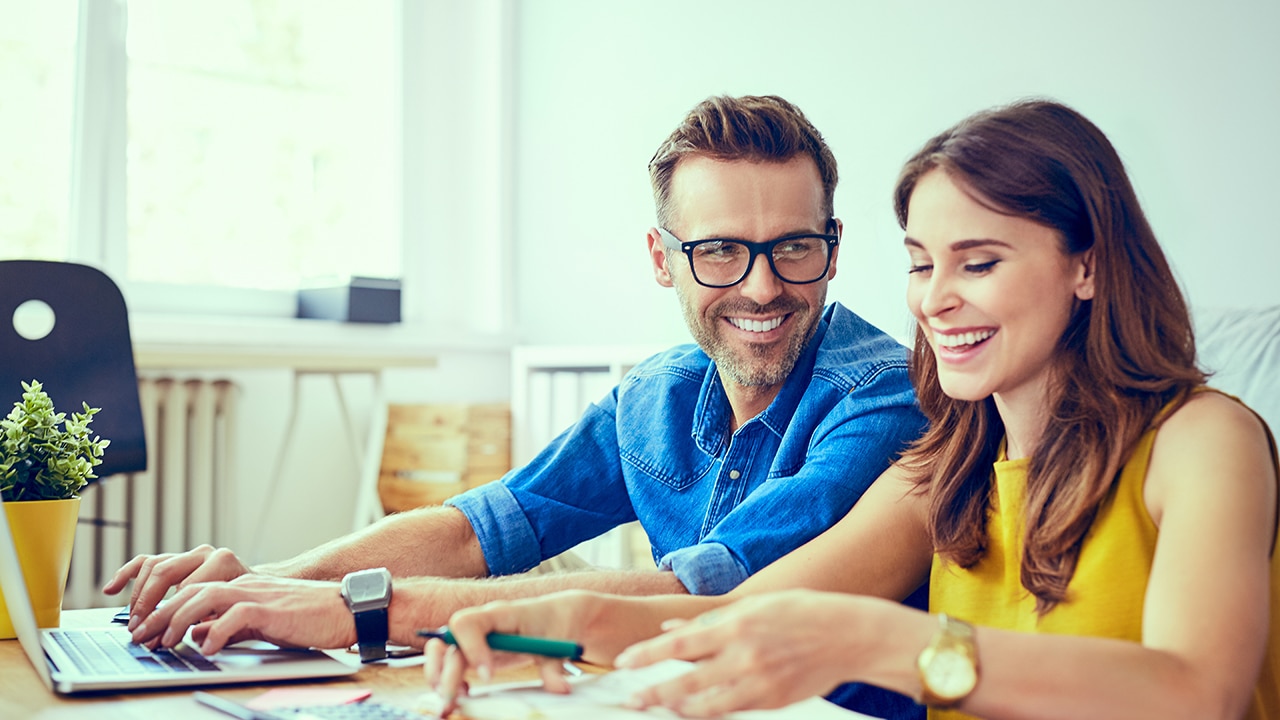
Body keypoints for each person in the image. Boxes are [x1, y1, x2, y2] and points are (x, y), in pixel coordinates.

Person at [427, 99, 1280, 720]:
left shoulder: (1203, 441)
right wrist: (551, 621)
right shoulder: (948, 465)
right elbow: (738, 612)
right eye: (920, 263)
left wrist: (875, 644)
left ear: (1085, 267)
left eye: (977, 263)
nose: (935, 301)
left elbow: (1196, 693)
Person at [107, 95, 929, 718]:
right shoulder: (656, 393)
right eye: (718, 249)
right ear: (662, 258)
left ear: (832, 248)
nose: (761, 285)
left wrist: (349, 608)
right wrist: (267, 581)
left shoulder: (884, 398)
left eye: (793, 246)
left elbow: (711, 594)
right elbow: (481, 529)